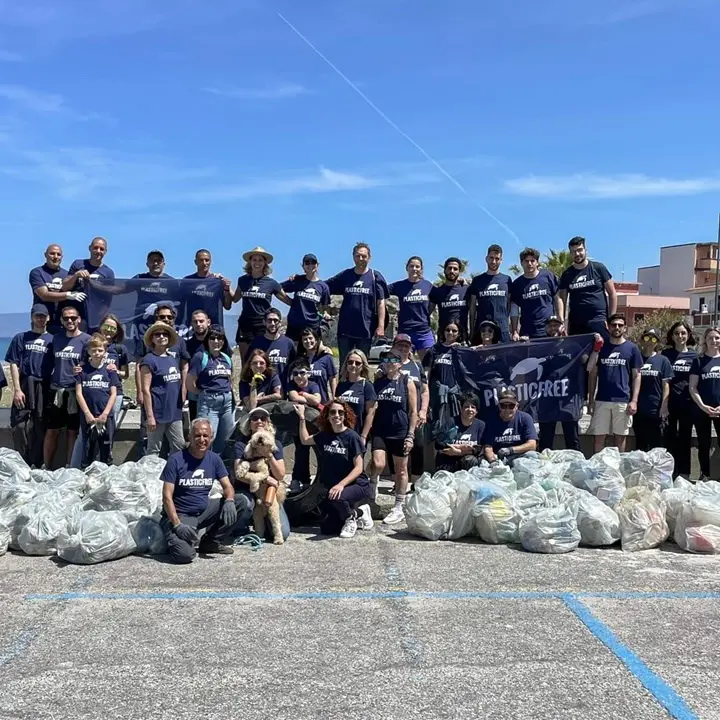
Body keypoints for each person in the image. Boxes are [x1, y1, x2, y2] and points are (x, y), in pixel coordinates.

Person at [161, 418, 252, 563]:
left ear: (211, 438)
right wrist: (177, 524)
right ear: (189, 436)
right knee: (184, 556)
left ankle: (211, 542)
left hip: (203, 511)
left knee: (240, 502)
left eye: (206, 436)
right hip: (181, 515)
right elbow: (166, 496)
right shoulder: (176, 459)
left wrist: (229, 500)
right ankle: (172, 533)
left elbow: (228, 486)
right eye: (197, 435)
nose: (201, 440)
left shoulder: (214, 459)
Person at [295, 401, 373, 538]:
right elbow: (305, 440)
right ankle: (361, 512)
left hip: (357, 484)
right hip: (336, 487)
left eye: (340, 412)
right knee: (327, 528)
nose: (336, 415)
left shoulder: (352, 437)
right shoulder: (325, 435)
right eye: (332, 412)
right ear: (327, 415)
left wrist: (341, 485)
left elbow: (359, 467)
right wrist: (302, 418)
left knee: (338, 497)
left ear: (345, 415)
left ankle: (351, 519)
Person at [369, 347, 418, 525]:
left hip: (400, 431)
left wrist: (410, 435)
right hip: (381, 430)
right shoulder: (379, 382)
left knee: (401, 470)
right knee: (377, 463)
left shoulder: (407, 382)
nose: (389, 363)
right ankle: (371, 491)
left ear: (399, 363)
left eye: (393, 360)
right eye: (387, 360)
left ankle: (399, 506)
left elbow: (413, 411)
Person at [537, 315, 601, 452]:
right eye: (550, 325)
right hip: (546, 400)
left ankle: (575, 468)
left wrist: (596, 349)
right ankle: (544, 470)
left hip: (569, 400)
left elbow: (589, 367)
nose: (553, 328)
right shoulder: (540, 347)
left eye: (556, 325)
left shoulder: (573, 345)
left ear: (562, 327)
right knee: (545, 442)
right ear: (546, 328)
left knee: (572, 440)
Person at [5, 304, 53, 467]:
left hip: (44, 386)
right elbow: (13, 364)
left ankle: (37, 462)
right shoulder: (21, 338)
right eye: (37, 316)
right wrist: (17, 389)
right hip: (25, 384)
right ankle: (22, 461)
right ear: (32, 317)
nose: (40, 319)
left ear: (48, 318)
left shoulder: (52, 340)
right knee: (19, 425)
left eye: (43, 316)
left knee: (39, 425)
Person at [43, 305, 91, 468]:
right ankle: (47, 465)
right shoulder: (56, 339)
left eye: (73, 318)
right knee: (52, 430)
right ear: (62, 321)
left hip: (75, 391)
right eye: (66, 318)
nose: (69, 321)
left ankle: (70, 465)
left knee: (72, 431)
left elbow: (92, 364)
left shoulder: (86, 340)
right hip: (56, 389)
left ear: (79, 319)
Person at [326, 242, 388, 365]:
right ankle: (343, 384)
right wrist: (303, 280)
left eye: (364, 256)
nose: (361, 259)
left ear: (369, 257)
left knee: (362, 365)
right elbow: (323, 286)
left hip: (366, 330)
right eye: (358, 256)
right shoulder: (345, 275)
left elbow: (381, 303)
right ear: (353, 257)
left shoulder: (375, 276)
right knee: (344, 365)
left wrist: (380, 326)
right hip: (345, 330)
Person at [588, 314, 642, 453]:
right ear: (608, 327)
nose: (616, 328)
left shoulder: (632, 348)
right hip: (602, 399)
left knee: (620, 438)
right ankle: (598, 470)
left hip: (623, 400)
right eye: (614, 325)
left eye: (620, 325)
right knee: (599, 438)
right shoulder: (601, 347)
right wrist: (591, 400)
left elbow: (637, 375)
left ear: (625, 328)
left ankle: (618, 469)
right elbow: (592, 373)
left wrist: (634, 400)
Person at [233, 407, 290, 541]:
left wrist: (269, 456)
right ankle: (242, 527)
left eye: (263, 418)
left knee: (284, 532)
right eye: (254, 418)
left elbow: (281, 475)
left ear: (268, 423)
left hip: (269, 493)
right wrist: (263, 479)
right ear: (249, 423)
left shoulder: (275, 444)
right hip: (248, 490)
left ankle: (268, 529)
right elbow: (238, 473)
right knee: (246, 503)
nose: (259, 421)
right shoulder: (241, 445)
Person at [231, 246, 291, 357]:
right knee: (246, 361)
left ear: (265, 263)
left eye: (260, 260)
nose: (257, 263)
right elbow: (235, 299)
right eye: (254, 260)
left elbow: (288, 300)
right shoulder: (243, 280)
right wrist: (226, 287)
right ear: (250, 262)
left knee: (261, 359)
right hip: (245, 324)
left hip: (263, 325)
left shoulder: (271, 283)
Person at [187, 324, 235, 453]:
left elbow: (230, 379)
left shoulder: (226, 358)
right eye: (212, 338)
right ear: (207, 340)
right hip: (208, 402)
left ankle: (218, 466)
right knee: (205, 438)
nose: (216, 341)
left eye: (219, 338)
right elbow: (190, 383)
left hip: (227, 402)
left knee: (226, 438)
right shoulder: (200, 357)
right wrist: (203, 394)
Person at [140, 321, 186, 456]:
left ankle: (173, 475)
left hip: (175, 413)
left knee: (179, 446)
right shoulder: (148, 360)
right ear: (152, 339)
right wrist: (150, 416)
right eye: (157, 334)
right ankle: (149, 477)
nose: (161, 337)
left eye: (164, 334)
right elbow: (146, 390)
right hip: (157, 413)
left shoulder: (173, 359)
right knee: (153, 450)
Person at [73, 334, 119, 468]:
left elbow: (113, 393)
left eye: (100, 350)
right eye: (93, 350)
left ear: (105, 352)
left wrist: (105, 414)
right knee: (88, 448)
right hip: (89, 416)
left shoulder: (110, 371)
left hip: (105, 416)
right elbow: (78, 393)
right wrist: (87, 413)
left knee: (106, 447)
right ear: (88, 351)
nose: (97, 353)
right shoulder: (82, 371)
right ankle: (86, 473)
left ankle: (106, 474)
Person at [558, 236, 616, 337]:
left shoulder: (599, 268)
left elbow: (612, 294)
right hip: (576, 324)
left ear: (585, 250)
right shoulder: (567, 274)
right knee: (578, 353)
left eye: (580, 250)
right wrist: (562, 323)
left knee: (601, 352)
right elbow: (562, 300)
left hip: (598, 321)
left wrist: (612, 319)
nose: (577, 254)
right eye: (573, 251)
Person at [662, 321, 699, 478]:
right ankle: (669, 474)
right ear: (672, 336)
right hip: (669, 403)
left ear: (688, 335)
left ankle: (684, 474)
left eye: (683, 333)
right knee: (669, 439)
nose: (680, 336)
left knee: (685, 439)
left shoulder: (694, 356)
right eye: (677, 333)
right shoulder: (666, 355)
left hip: (687, 404)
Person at [633, 328, 673, 451]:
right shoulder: (636, 357)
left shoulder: (663, 360)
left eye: (653, 338)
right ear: (641, 340)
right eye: (646, 338)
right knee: (640, 443)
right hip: (638, 408)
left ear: (657, 342)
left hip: (655, 408)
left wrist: (664, 406)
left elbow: (666, 385)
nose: (650, 341)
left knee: (655, 443)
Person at [388, 256, 435, 360]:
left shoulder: (428, 286)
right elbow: (381, 290)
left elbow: (440, 296)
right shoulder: (399, 285)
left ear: (421, 269)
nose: (414, 269)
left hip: (424, 331)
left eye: (417, 266)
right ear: (407, 268)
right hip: (405, 331)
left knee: (430, 364)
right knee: (402, 365)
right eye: (411, 266)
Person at [29, 244, 83, 334]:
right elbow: (44, 295)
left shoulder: (67, 275)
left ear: (62, 257)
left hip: (62, 322)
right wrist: (68, 295)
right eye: (52, 253)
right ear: (45, 255)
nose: (55, 257)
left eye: (58, 254)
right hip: (42, 321)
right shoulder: (37, 272)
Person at [689, 327, 720, 482]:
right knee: (703, 442)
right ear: (705, 341)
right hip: (702, 409)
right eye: (710, 338)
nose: (714, 341)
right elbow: (692, 387)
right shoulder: (698, 360)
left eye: (717, 338)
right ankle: (705, 474)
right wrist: (703, 406)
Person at [510, 248, 562, 340]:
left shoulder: (548, 276)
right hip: (527, 333)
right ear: (522, 263)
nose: (529, 264)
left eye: (532, 261)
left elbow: (558, 298)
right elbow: (514, 308)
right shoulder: (517, 284)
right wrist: (514, 331)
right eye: (526, 261)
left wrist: (561, 321)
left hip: (550, 330)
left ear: (537, 262)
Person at [63, 236, 115, 327]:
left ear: (105, 252)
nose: (98, 251)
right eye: (95, 248)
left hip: (95, 317)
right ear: (90, 248)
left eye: (101, 249)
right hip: (75, 316)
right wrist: (76, 275)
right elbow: (65, 287)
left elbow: (108, 299)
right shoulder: (78, 264)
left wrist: (100, 315)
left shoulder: (108, 272)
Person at [423, 320, 462, 443]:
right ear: (443, 331)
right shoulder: (434, 350)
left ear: (459, 333)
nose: (450, 333)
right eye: (448, 330)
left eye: (454, 331)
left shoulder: (461, 350)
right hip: (437, 396)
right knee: (436, 429)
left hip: (455, 396)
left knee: (455, 429)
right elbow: (426, 375)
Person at [287, 359, 323, 492]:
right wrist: (308, 398)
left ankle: (301, 480)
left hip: (314, 424)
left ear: (308, 373)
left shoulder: (313, 385)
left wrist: (304, 394)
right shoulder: (291, 385)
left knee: (308, 450)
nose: (299, 376)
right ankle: (301, 480)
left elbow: (317, 400)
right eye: (295, 373)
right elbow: (294, 397)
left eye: (302, 372)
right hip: (297, 423)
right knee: (301, 450)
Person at [281, 253, 331, 342]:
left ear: (317, 265)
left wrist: (326, 314)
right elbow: (278, 288)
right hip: (294, 326)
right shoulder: (297, 280)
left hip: (313, 328)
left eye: (313, 262)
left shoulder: (323, 287)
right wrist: (289, 302)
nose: (310, 265)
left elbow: (324, 308)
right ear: (303, 266)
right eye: (307, 263)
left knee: (311, 354)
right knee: (293, 354)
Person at [468, 244, 512, 343]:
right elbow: (472, 308)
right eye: (491, 258)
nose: (494, 261)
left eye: (497, 258)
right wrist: (471, 330)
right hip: (483, 329)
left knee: (503, 357)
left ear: (501, 260)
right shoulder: (477, 280)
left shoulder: (507, 280)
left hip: (502, 329)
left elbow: (509, 304)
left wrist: (510, 327)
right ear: (486, 259)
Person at [482, 389, 538, 464]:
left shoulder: (526, 418)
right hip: (499, 458)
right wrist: (492, 461)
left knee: (532, 455)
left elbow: (532, 445)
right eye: (503, 406)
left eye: (511, 406)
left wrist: (511, 450)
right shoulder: (491, 421)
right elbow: (488, 447)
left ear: (517, 406)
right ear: (499, 406)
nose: (507, 409)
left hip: (520, 456)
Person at [247, 308, 296, 391]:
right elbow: (248, 366)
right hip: (261, 391)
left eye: (275, 320)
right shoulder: (256, 343)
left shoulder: (288, 343)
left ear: (280, 322)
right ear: (264, 322)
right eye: (269, 320)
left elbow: (294, 366)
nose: (272, 324)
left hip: (282, 392)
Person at [435, 393, 486, 472]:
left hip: (467, 462)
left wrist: (458, 451)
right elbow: (438, 443)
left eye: (473, 407)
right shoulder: (451, 422)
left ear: (476, 411)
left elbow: (479, 449)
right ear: (461, 409)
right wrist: (463, 447)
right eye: (466, 407)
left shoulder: (481, 425)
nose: (470, 409)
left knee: (471, 460)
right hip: (449, 462)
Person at [335, 350, 377, 443]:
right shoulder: (341, 384)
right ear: (346, 364)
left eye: (357, 363)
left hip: (357, 434)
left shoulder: (366, 385)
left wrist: (363, 436)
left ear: (363, 366)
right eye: (350, 362)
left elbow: (370, 413)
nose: (353, 365)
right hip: (340, 434)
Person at [95, 313, 129, 421]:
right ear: (100, 327)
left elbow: (125, 375)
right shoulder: (91, 346)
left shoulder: (120, 349)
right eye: (106, 327)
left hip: (114, 393)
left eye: (113, 328)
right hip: (95, 391)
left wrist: (116, 371)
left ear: (117, 331)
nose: (109, 330)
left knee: (110, 426)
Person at [183, 248, 233, 321]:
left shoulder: (217, 281)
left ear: (210, 261)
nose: (204, 263)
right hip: (194, 324)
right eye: (201, 260)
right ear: (195, 262)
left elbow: (227, 306)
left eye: (207, 260)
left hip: (214, 325)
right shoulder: (187, 281)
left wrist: (227, 289)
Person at [429, 257, 468, 341]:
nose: (452, 271)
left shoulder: (467, 289)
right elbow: (426, 313)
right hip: (444, 337)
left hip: (462, 337)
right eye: (449, 268)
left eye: (455, 269)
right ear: (444, 270)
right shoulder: (437, 291)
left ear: (459, 271)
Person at [296, 326, 337, 402]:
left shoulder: (326, 357)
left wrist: (334, 397)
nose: (308, 341)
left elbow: (332, 378)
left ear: (316, 339)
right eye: (305, 339)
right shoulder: (299, 359)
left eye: (310, 338)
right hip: (304, 401)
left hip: (322, 401)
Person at [185, 309, 211, 421]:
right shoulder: (187, 345)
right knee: (196, 426)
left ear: (208, 322)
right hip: (194, 394)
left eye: (201, 321)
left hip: (213, 391)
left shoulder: (217, 342)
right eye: (195, 322)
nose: (198, 324)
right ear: (191, 324)